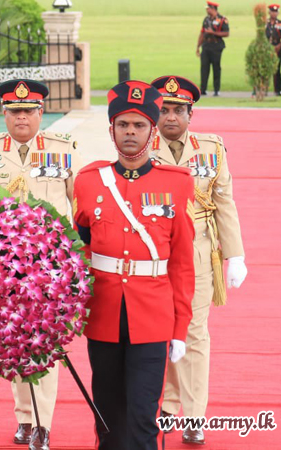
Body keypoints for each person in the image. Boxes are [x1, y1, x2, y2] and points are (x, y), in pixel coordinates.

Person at [72, 80, 196, 449]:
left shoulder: (177, 184)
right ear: (111, 130)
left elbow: (183, 262)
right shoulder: (89, 182)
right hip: (104, 313)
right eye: (123, 125)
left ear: (152, 130)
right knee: (108, 416)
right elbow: (80, 248)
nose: (130, 132)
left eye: (139, 125)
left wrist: (180, 326)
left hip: (153, 316)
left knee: (143, 418)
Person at [0, 79, 82, 450]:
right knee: (14, 342)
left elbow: (78, 207)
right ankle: (24, 417)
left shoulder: (62, 150)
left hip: (50, 268)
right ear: (4, 114)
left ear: (41, 113)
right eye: (14, 111)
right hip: (5, 268)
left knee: (45, 344)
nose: (22, 118)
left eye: (29, 111)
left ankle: (43, 424)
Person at [150, 75, 247, 445]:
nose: (171, 116)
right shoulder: (140, 146)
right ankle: (171, 403)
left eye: (178, 110)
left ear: (192, 113)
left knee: (193, 331)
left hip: (199, 251)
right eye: (164, 109)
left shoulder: (212, 148)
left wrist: (234, 254)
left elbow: (224, 201)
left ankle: (192, 415)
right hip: (155, 253)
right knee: (165, 330)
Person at [196, 1, 229, 96]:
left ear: (213, 9)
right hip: (206, 45)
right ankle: (203, 89)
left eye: (208, 8)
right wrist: (198, 46)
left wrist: (213, 32)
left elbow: (226, 33)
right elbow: (202, 33)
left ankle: (216, 90)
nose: (207, 10)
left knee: (216, 68)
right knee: (204, 68)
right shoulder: (206, 19)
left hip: (216, 46)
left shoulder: (222, 20)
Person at [265, 4, 281, 95]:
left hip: (278, 48)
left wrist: (279, 46)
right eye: (272, 12)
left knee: (277, 70)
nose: (274, 13)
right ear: (269, 12)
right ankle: (264, 89)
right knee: (266, 70)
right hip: (267, 48)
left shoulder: (280, 23)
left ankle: (278, 90)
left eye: (276, 12)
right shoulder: (265, 23)